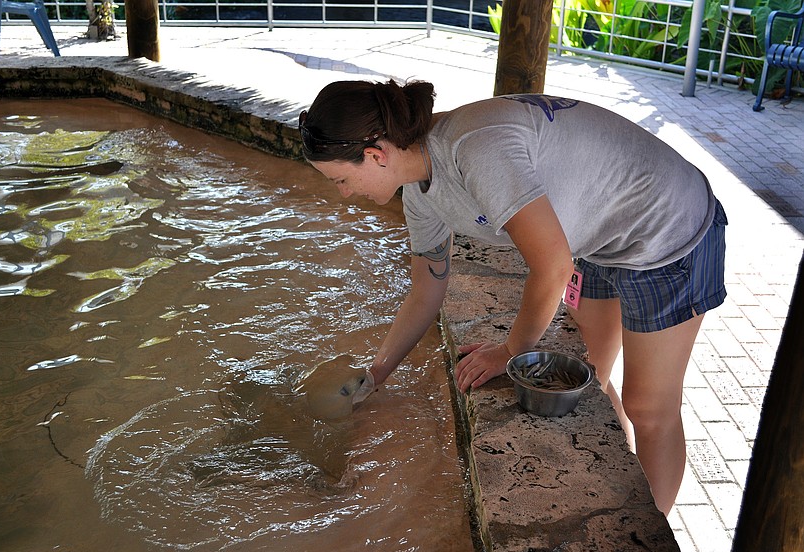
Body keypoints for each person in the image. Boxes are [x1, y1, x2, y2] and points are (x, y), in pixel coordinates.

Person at [298, 79, 727, 516]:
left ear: (375, 154)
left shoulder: (476, 147)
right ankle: (628, 490)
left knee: (649, 406)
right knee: (591, 374)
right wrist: (375, 375)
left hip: (668, 227)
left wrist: (511, 350)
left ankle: (647, 539)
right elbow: (427, 288)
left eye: (341, 179)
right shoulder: (419, 192)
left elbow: (553, 266)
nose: (344, 193)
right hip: (603, 235)